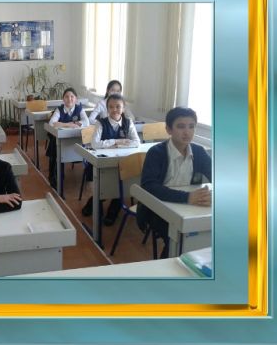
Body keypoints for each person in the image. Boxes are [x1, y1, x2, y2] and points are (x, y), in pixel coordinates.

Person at [137, 107, 212, 258]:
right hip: (156, 209)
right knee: (181, 238)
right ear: (169, 129)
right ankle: (169, 265)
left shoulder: (199, 152)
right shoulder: (156, 153)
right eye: (181, 126)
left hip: (188, 208)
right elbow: (149, 186)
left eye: (191, 126)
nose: (187, 132)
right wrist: (187, 197)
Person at [82, 93, 140, 225]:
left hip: (122, 161)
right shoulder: (101, 123)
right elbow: (95, 144)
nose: (115, 110)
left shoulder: (128, 122)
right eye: (111, 107)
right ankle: (93, 202)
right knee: (105, 187)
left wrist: (116, 144)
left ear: (123, 108)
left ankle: (113, 210)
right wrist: (117, 141)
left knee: (121, 185)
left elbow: (136, 142)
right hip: (102, 162)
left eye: (118, 106)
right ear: (107, 109)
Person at [46, 87, 90, 188]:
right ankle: (56, 178)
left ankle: (89, 176)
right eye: (66, 97)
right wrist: (69, 124)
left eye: (72, 96)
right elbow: (52, 123)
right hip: (60, 140)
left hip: (76, 140)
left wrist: (62, 124)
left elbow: (86, 122)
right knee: (55, 149)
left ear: (76, 99)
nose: (69, 99)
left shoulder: (79, 109)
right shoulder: (59, 109)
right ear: (63, 99)